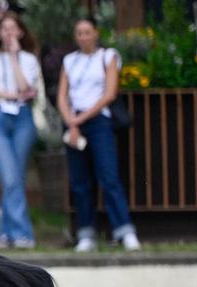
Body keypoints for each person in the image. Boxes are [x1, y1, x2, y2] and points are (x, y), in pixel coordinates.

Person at [56, 16, 141, 252]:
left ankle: (124, 230)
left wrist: (80, 119)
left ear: (96, 33)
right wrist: (71, 122)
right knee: (80, 181)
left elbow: (109, 93)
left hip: (98, 121)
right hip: (74, 123)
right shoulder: (69, 60)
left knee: (108, 176)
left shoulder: (108, 55)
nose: (83, 36)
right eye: (79, 33)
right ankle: (86, 234)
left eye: (87, 32)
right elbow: (62, 95)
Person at [0, 12, 39, 249]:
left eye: (13, 29)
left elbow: (27, 87)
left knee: (14, 178)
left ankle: (6, 233)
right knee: (10, 176)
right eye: (4, 29)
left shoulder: (29, 59)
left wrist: (14, 58)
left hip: (22, 118)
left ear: (21, 32)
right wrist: (10, 94)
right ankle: (23, 233)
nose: (9, 33)